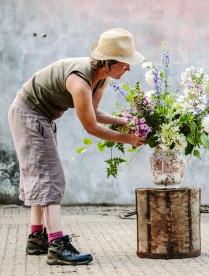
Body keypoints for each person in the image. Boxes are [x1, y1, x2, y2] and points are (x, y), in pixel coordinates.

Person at [8, 28, 146, 265]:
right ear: (108, 62)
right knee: (49, 177)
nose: (129, 68)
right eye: (124, 63)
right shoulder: (79, 79)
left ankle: (36, 237)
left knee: (42, 174)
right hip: (29, 115)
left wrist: (123, 122)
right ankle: (56, 245)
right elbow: (90, 126)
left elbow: (93, 112)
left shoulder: (100, 78)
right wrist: (129, 139)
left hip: (39, 116)